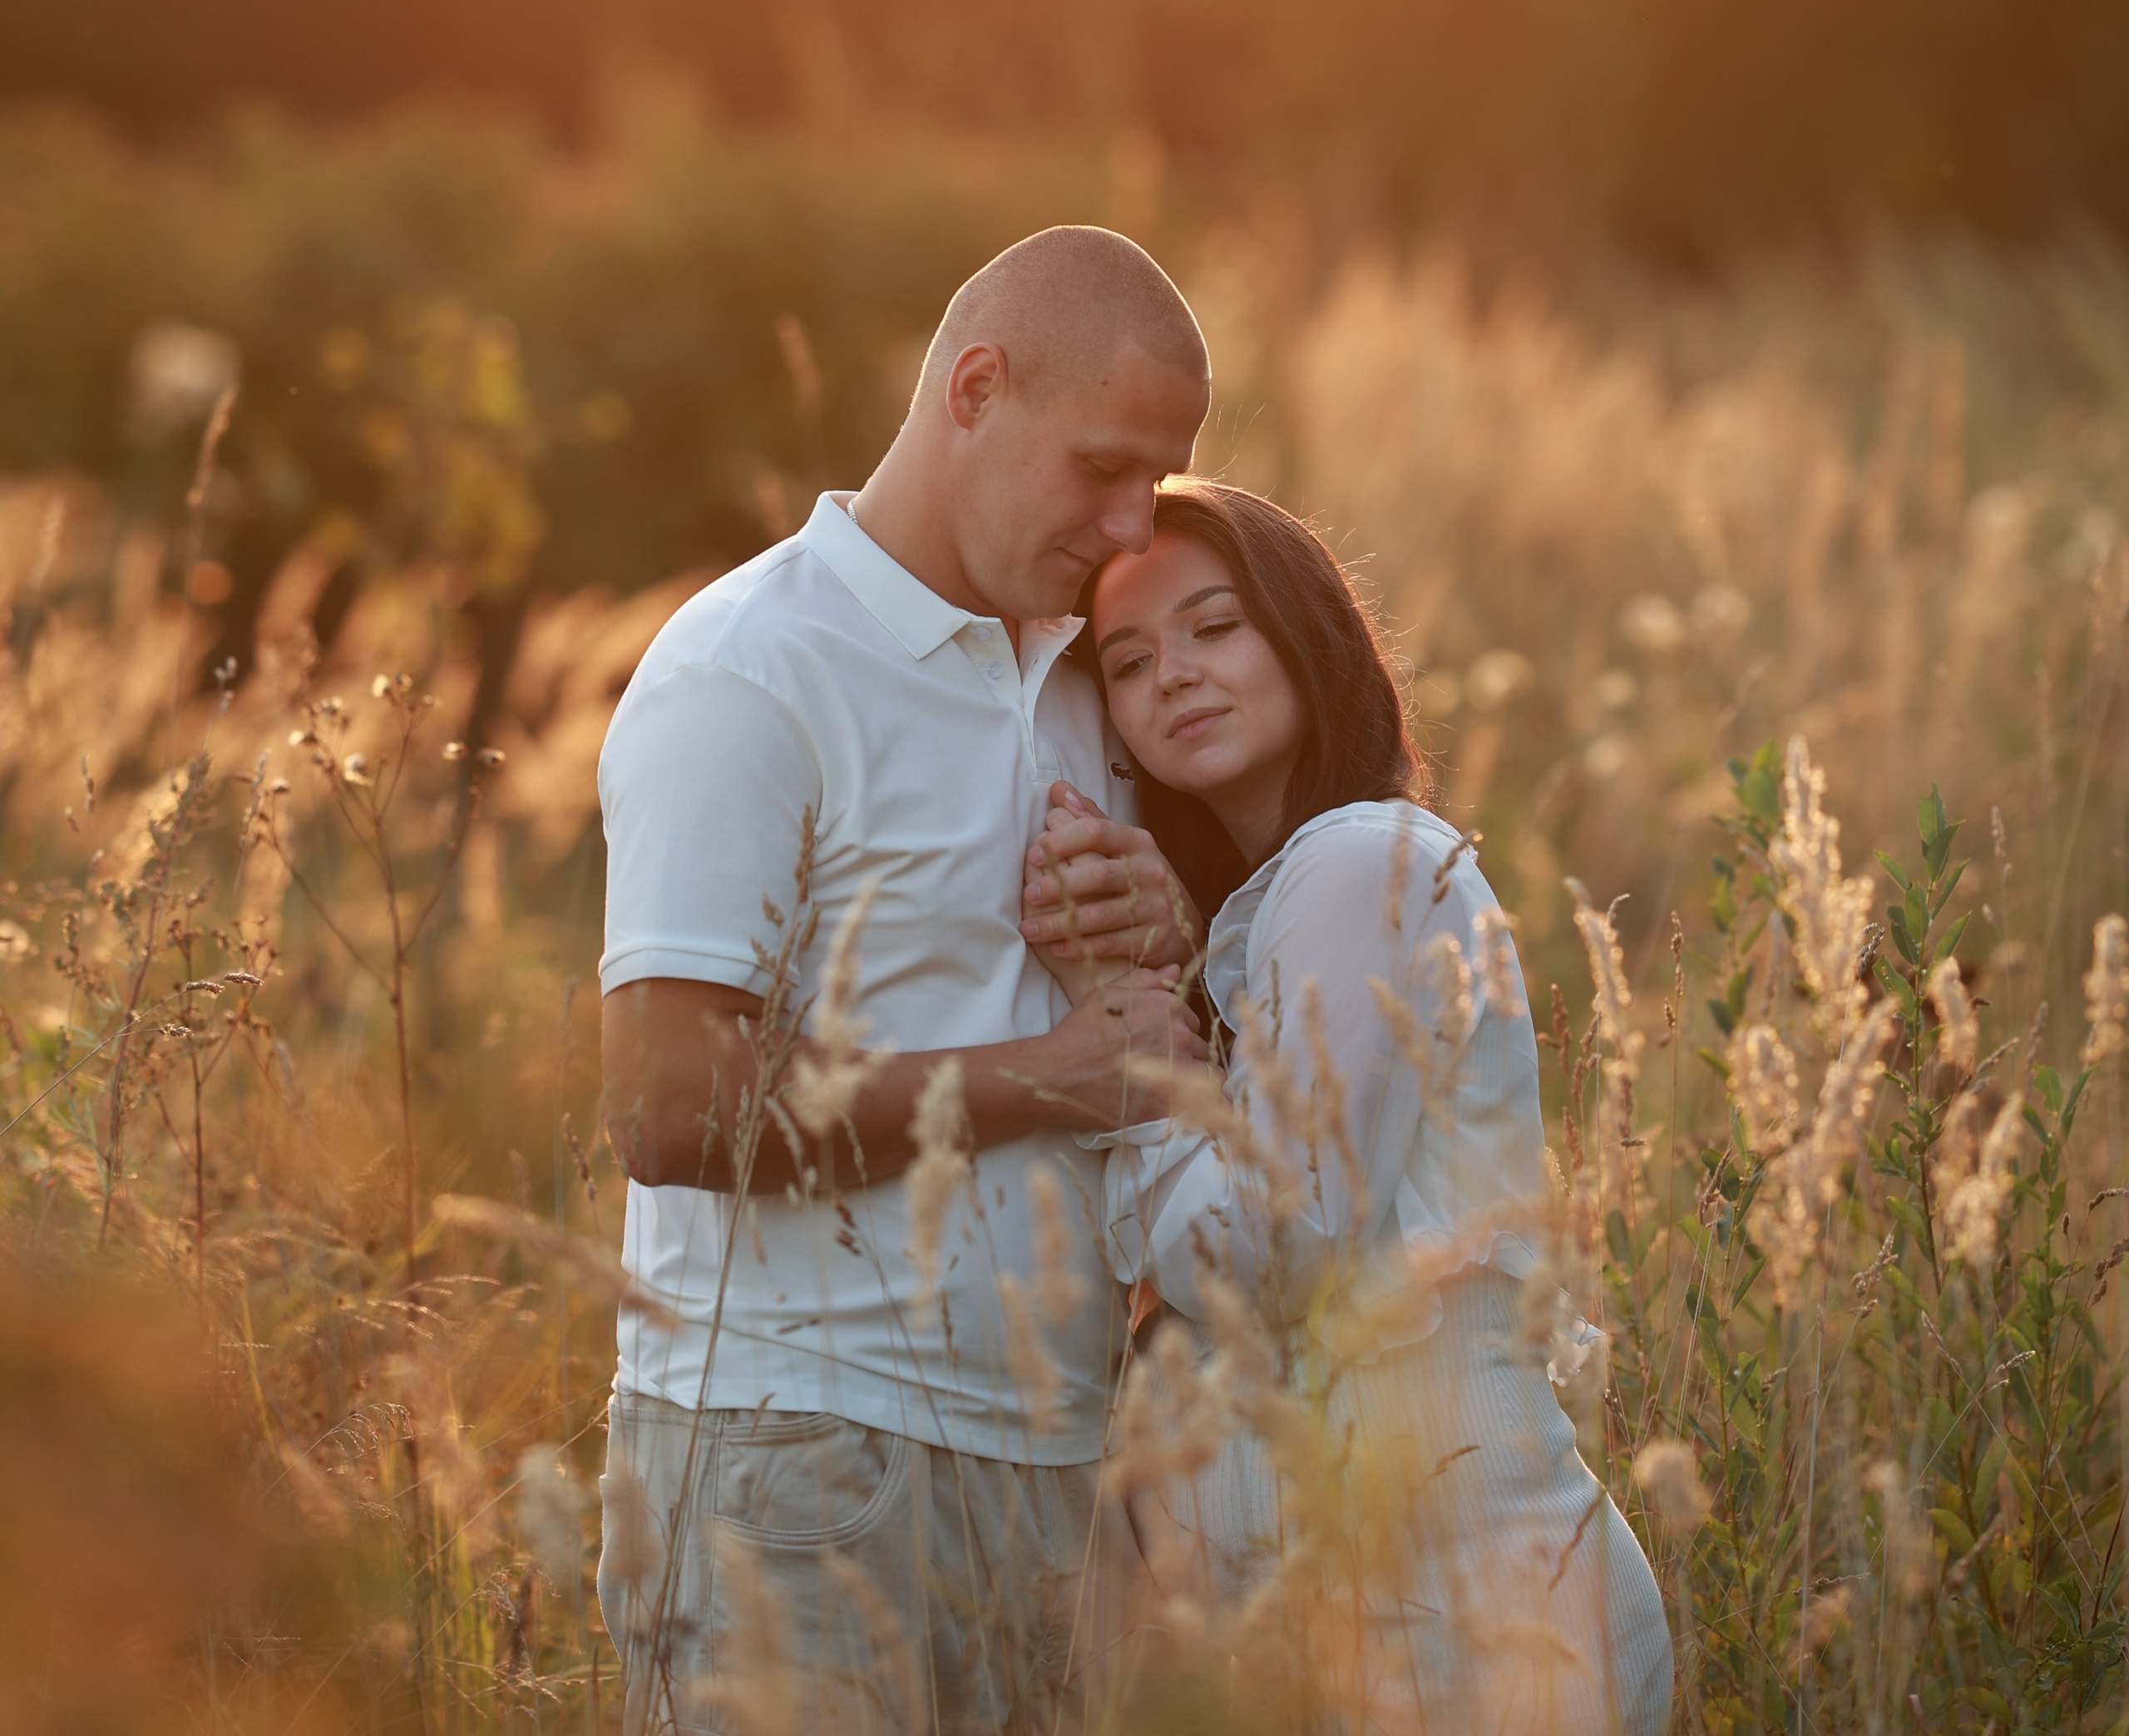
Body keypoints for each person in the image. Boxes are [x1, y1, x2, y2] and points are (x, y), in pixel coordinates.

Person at [595, 226, 1216, 1735]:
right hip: (796, 1467)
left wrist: (1176, 923)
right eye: (1103, 466)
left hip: (1061, 1473)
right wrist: (1052, 1080)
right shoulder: (750, 669)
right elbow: (675, 1113)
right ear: (975, 387)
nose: (1136, 522)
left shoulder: (1096, 675)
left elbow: (1176, 1038)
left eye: (1160, 477)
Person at [1017, 480, 1674, 1736]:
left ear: (1306, 635)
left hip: (1466, 1635)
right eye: (1132, 659)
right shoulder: (1296, 906)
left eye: (1216, 627)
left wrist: (1132, 1071)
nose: (1176, 677)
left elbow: (1276, 1251)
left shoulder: (1361, 855)